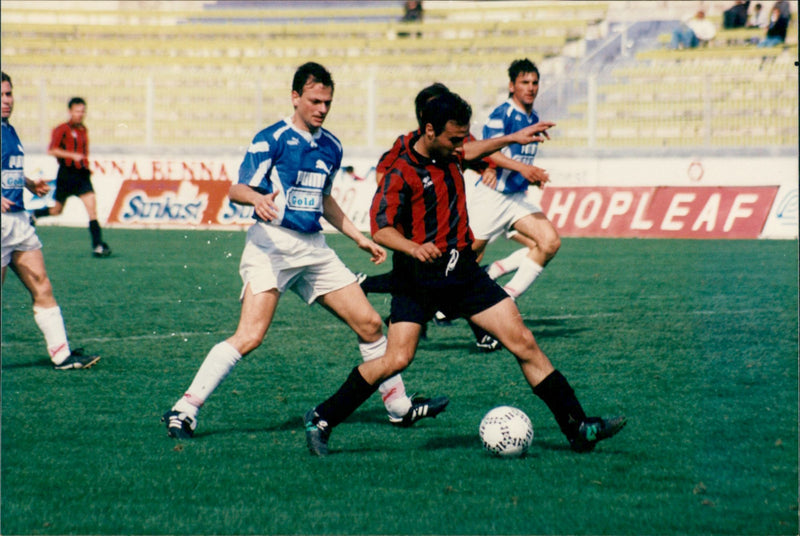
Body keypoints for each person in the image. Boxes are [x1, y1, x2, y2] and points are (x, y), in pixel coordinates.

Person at [304, 89, 626, 456]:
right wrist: (413, 247)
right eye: (454, 137)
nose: (461, 144)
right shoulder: (400, 172)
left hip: (465, 275)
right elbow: (381, 229)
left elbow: (470, 151)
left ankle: (578, 428)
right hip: (418, 281)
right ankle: (322, 417)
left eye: (463, 136)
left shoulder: (450, 153)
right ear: (429, 131)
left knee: (523, 341)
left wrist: (511, 139)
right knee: (396, 359)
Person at [162, 62, 447, 439]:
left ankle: (398, 407)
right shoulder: (272, 138)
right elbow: (236, 188)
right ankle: (183, 410)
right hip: (272, 246)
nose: (322, 108)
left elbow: (324, 199)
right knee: (249, 336)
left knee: (369, 323)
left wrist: (357, 237)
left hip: (314, 248)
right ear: (295, 97)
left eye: (327, 102)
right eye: (315, 100)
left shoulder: (331, 145)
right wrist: (256, 200)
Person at [359, 82, 501, 352]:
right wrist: (405, 204)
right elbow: (384, 176)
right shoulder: (405, 144)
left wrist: (487, 169)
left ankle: (371, 287)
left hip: (443, 233)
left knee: (457, 269)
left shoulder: (450, 144)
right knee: (440, 276)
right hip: (415, 233)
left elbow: (471, 154)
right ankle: (478, 331)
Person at [1, 71, 100, 370]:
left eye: (9, 94)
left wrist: (28, 183)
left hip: (18, 220)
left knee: (42, 285)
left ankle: (62, 355)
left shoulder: (9, 129)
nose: (7, 101)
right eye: (2, 95)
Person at [467, 59, 560, 303]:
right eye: (524, 82)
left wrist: (530, 177)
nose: (530, 87)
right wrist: (524, 169)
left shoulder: (534, 118)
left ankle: (505, 299)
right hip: (492, 196)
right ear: (512, 86)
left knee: (549, 243)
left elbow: (516, 157)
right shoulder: (501, 115)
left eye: (534, 82)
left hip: (516, 198)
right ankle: (438, 307)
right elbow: (489, 152)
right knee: (466, 259)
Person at [32, 97, 111, 258]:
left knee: (92, 210)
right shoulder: (62, 129)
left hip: (81, 176)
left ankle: (97, 245)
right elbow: (52, 150)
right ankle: (34, 215)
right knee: (56, 210)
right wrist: (71, 155)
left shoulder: (83, 129)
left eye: (83, 111)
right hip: (66, 174)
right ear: (70, 111)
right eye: (77, 111)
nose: (80, 114)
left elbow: (83, 154)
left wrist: (85, 166)